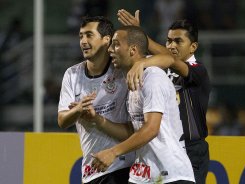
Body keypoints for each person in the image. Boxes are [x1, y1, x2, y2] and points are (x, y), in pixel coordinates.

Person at [82, 26, 195, 183]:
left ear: (132, 49)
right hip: (142, 176)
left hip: (170, 175)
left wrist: (113, 152)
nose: (110, 50)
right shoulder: (132, 79)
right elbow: (133, 129)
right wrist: (97, 120)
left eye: (115, 44)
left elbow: (151, 129)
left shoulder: (153, 77)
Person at [117, 10, 211, 184]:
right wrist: (138, 35)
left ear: (193, 47)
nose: (171, 45)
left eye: (178, 41)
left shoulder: (198, 71)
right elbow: (164, 58)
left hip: (191, 149)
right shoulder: (160, 68)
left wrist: (142, 60)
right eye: (168, 40)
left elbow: (172, 61)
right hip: (162, 149)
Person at [57, 16, 135, 184]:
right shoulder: (72, 74)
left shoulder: (122, 71)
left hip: (124, 167)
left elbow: (132, 131)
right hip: (92, 170)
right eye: (81, 36)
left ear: (107, 40)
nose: (83, 41)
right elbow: (62, 120)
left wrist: (96, 119)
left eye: (89, 35)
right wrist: (78, 110)